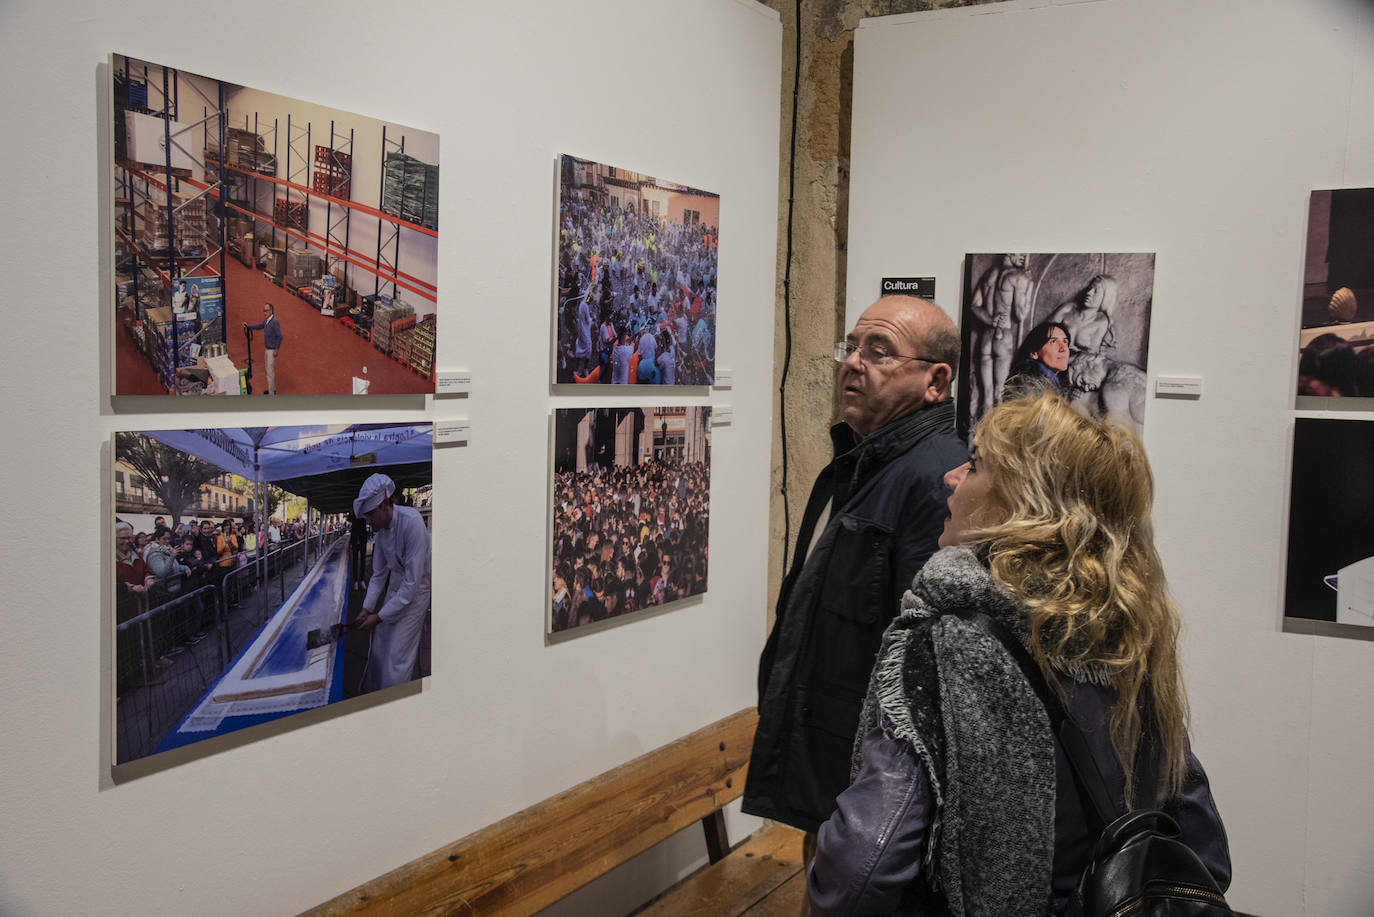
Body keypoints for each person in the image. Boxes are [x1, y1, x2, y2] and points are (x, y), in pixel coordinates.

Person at [807, 393, 1230, 915]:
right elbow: (1205, 848)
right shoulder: (1130, 639)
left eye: (977, 464)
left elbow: (863, 867)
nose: (951, 477)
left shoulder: (940, 644)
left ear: (1022, 504)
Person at [744, 296, 968, 839]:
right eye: (852, 346)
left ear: (934, 381)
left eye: (880, 350)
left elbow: (923, 661)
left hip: (866, 773)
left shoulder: (936, 481)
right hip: (828, 755)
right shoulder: (859, 463)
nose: (853, 362)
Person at [352, 473, 431, 690]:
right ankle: (375, 696)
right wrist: (367, 609)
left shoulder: (412, 522)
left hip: (417, 591)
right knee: (379, 646)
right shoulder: (380, 532)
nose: (367, 521)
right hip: (397, 587)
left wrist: (378, 617)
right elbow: (378, 575)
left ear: (385, 505)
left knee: (397, 655)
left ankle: (394, 705)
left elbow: (412, 584)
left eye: (370, 515)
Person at [968, 253, 1033, 422]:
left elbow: (975, 306)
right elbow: (1020, 315)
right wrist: (1029, 285)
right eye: (1020, 253)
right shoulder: (1018, 277)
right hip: (1003, 337)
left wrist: (990, 319)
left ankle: (976, 441)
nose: (1023, 256)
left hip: (986, 337)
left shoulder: (990, 274)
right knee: (999, 393)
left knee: (987, 394)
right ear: (1009, 253)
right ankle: (992, 443)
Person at [1002, 320, 1071, 399]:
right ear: (1034, 353)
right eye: (1053, 341)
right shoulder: (1028, 388)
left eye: (1065, 341)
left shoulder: (1056, 384)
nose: (1063, 348)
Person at [244, 301, 282, 395]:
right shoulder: (267, 321)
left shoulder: (274, 322)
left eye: (266, 311)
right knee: (268, 370)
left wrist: (276, 349)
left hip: (271, 350)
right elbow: (259, 326)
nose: (264, 312)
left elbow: (279, 336)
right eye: (263, 311)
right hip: (267, 349)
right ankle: (271, 389)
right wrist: (248, 326)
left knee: (270, 372)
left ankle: (271, 393)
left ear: (271, 311)